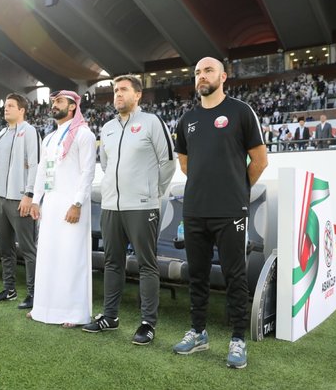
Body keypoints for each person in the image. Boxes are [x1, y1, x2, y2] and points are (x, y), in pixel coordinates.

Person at [173, 57, 268, 369]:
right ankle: (198, 332)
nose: (202, 75)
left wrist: (238, 190)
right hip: (195, 209)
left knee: (234, 276)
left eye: (208, 70)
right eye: (198, 72)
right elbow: (185, 164)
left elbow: (259, 160)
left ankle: (237, 339)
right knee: (197, 275)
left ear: (223, 76)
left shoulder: (241, 112)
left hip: (230, 210)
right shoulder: (187, 119)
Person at [82, 75, 176, 347]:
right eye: (115, 90)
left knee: (147, 264)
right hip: (112, 206)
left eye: (123, 90)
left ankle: (148, 323)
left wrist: (152, 192)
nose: (117, 94)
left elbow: (167, 163)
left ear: (138, 95)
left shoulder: (151, 122)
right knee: (113, 262)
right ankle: (110, 317)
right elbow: (105, 164)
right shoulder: (108, 127)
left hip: (142, 205)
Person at [28, 90, 96, 328]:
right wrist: (37, 199)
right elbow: (42, 171)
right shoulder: (49, 138)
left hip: (72, 205)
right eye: (53, 101)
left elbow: (88, 172)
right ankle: (44, 308)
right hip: (52, 204)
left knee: (71, 257)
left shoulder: (84, 135)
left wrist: (77, 203)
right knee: (49, 255)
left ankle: (74, 313)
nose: (54, 105)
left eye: (59, 102)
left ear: (72, 107)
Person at [0, 93, 39, 310]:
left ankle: (34, 294)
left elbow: (35, 164)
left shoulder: (29, 131)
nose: (6, 108)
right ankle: (9, 289)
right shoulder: (1, 133)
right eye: (5, 105)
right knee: (6, 248)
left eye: (11, 105)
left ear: (22, 110)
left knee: (28, 249)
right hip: (0, 198)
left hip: (20, 199)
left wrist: (29, 194)